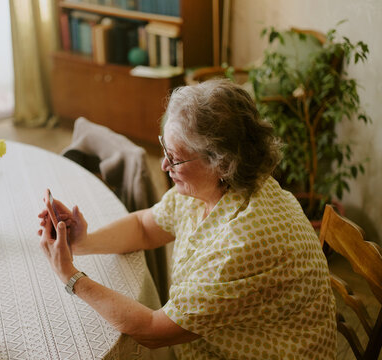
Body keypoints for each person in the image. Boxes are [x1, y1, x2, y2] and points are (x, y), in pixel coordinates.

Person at [38, 79, 336, 359]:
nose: (164, 164)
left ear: (222, 163)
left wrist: (72, 277)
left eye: (176, 157)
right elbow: (145, 227)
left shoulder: (245, 241)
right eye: (164, 147)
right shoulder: (212, 187)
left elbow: (153, 331)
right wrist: (83, 241)